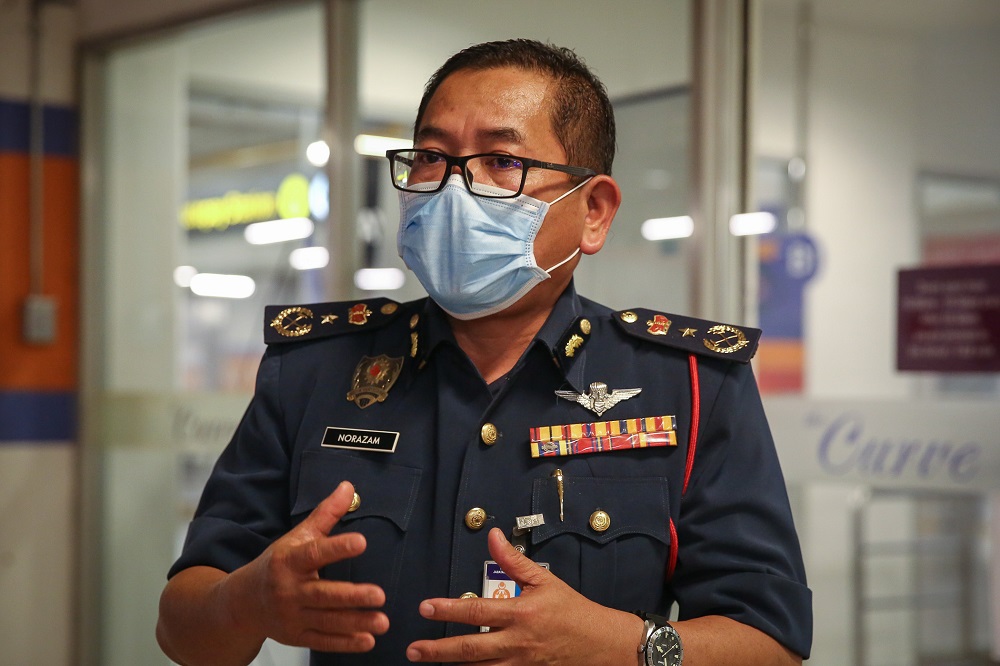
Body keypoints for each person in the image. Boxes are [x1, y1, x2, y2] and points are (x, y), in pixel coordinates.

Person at [157, 39, 812, 665]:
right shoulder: (314, 371)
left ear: (593, 211)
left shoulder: (691, 385)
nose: (450, 190)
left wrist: (625, 646)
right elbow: (182, 630)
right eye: (431, 158)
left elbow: (770, 643)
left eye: (502, 162)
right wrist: (244, 603)